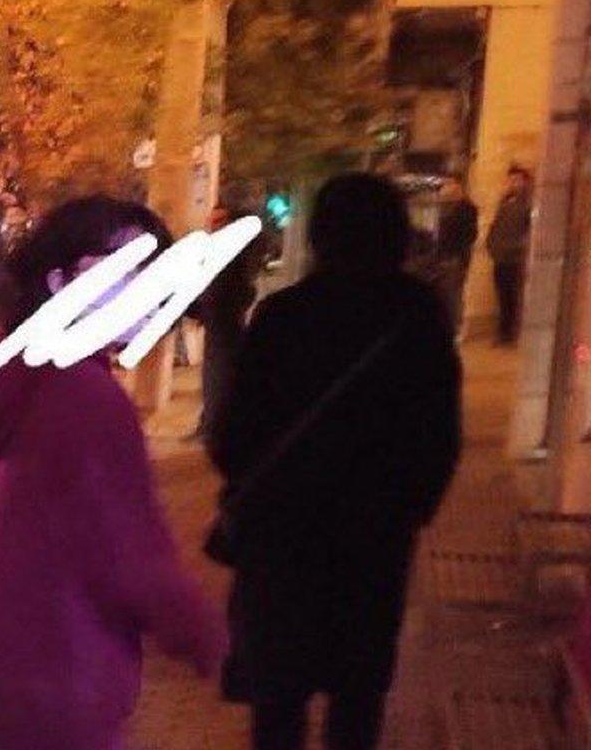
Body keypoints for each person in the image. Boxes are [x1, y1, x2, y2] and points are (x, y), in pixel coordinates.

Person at [0, 196, 225, 750]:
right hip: (62, 677)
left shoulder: (15, 375)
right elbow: (132, 553)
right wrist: (205, 635)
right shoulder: (86, 396)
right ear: (58, 279)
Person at [210, 173, 462, 750]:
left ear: (321, 233)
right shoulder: (418, 319)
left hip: (284, 542)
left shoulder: (282, 317)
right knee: (358, 701)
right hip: (373, 544)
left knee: (278, 703)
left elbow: (231, 436)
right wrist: (405, 509)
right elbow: (438, 438)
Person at [192, 204, 266, 443]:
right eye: (212, 221)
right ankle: (210, 422)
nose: (215, 226)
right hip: (215, 319)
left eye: (220, 221)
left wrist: (229, 308)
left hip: (226, 320)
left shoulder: (236, 251)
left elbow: (244, 286)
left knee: (221, 372)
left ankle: (215, 425)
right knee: (214, 372)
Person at [485, 165, 532, 344]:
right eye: (511, 179)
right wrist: (491, 244)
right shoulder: (505, 200)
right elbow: (496, 226)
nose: (513, 183)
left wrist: (517, 247)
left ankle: (510, 334)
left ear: (525, 181)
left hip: (515, 259)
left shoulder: (528, 203)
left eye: (517, 179)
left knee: (513, 297)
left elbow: (530, 231)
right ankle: (503, 333)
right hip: (501, 257)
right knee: (502, 297)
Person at [435, 177, 478, 336]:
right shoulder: (443, 207)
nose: (445, 188)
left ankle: (456, 328)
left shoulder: (467, 208)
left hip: (455, 258)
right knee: (444, 294)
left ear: (458, 187)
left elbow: (469, 235)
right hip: (442, 256)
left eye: (449, 184)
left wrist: (458, 255)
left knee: (453, 294)